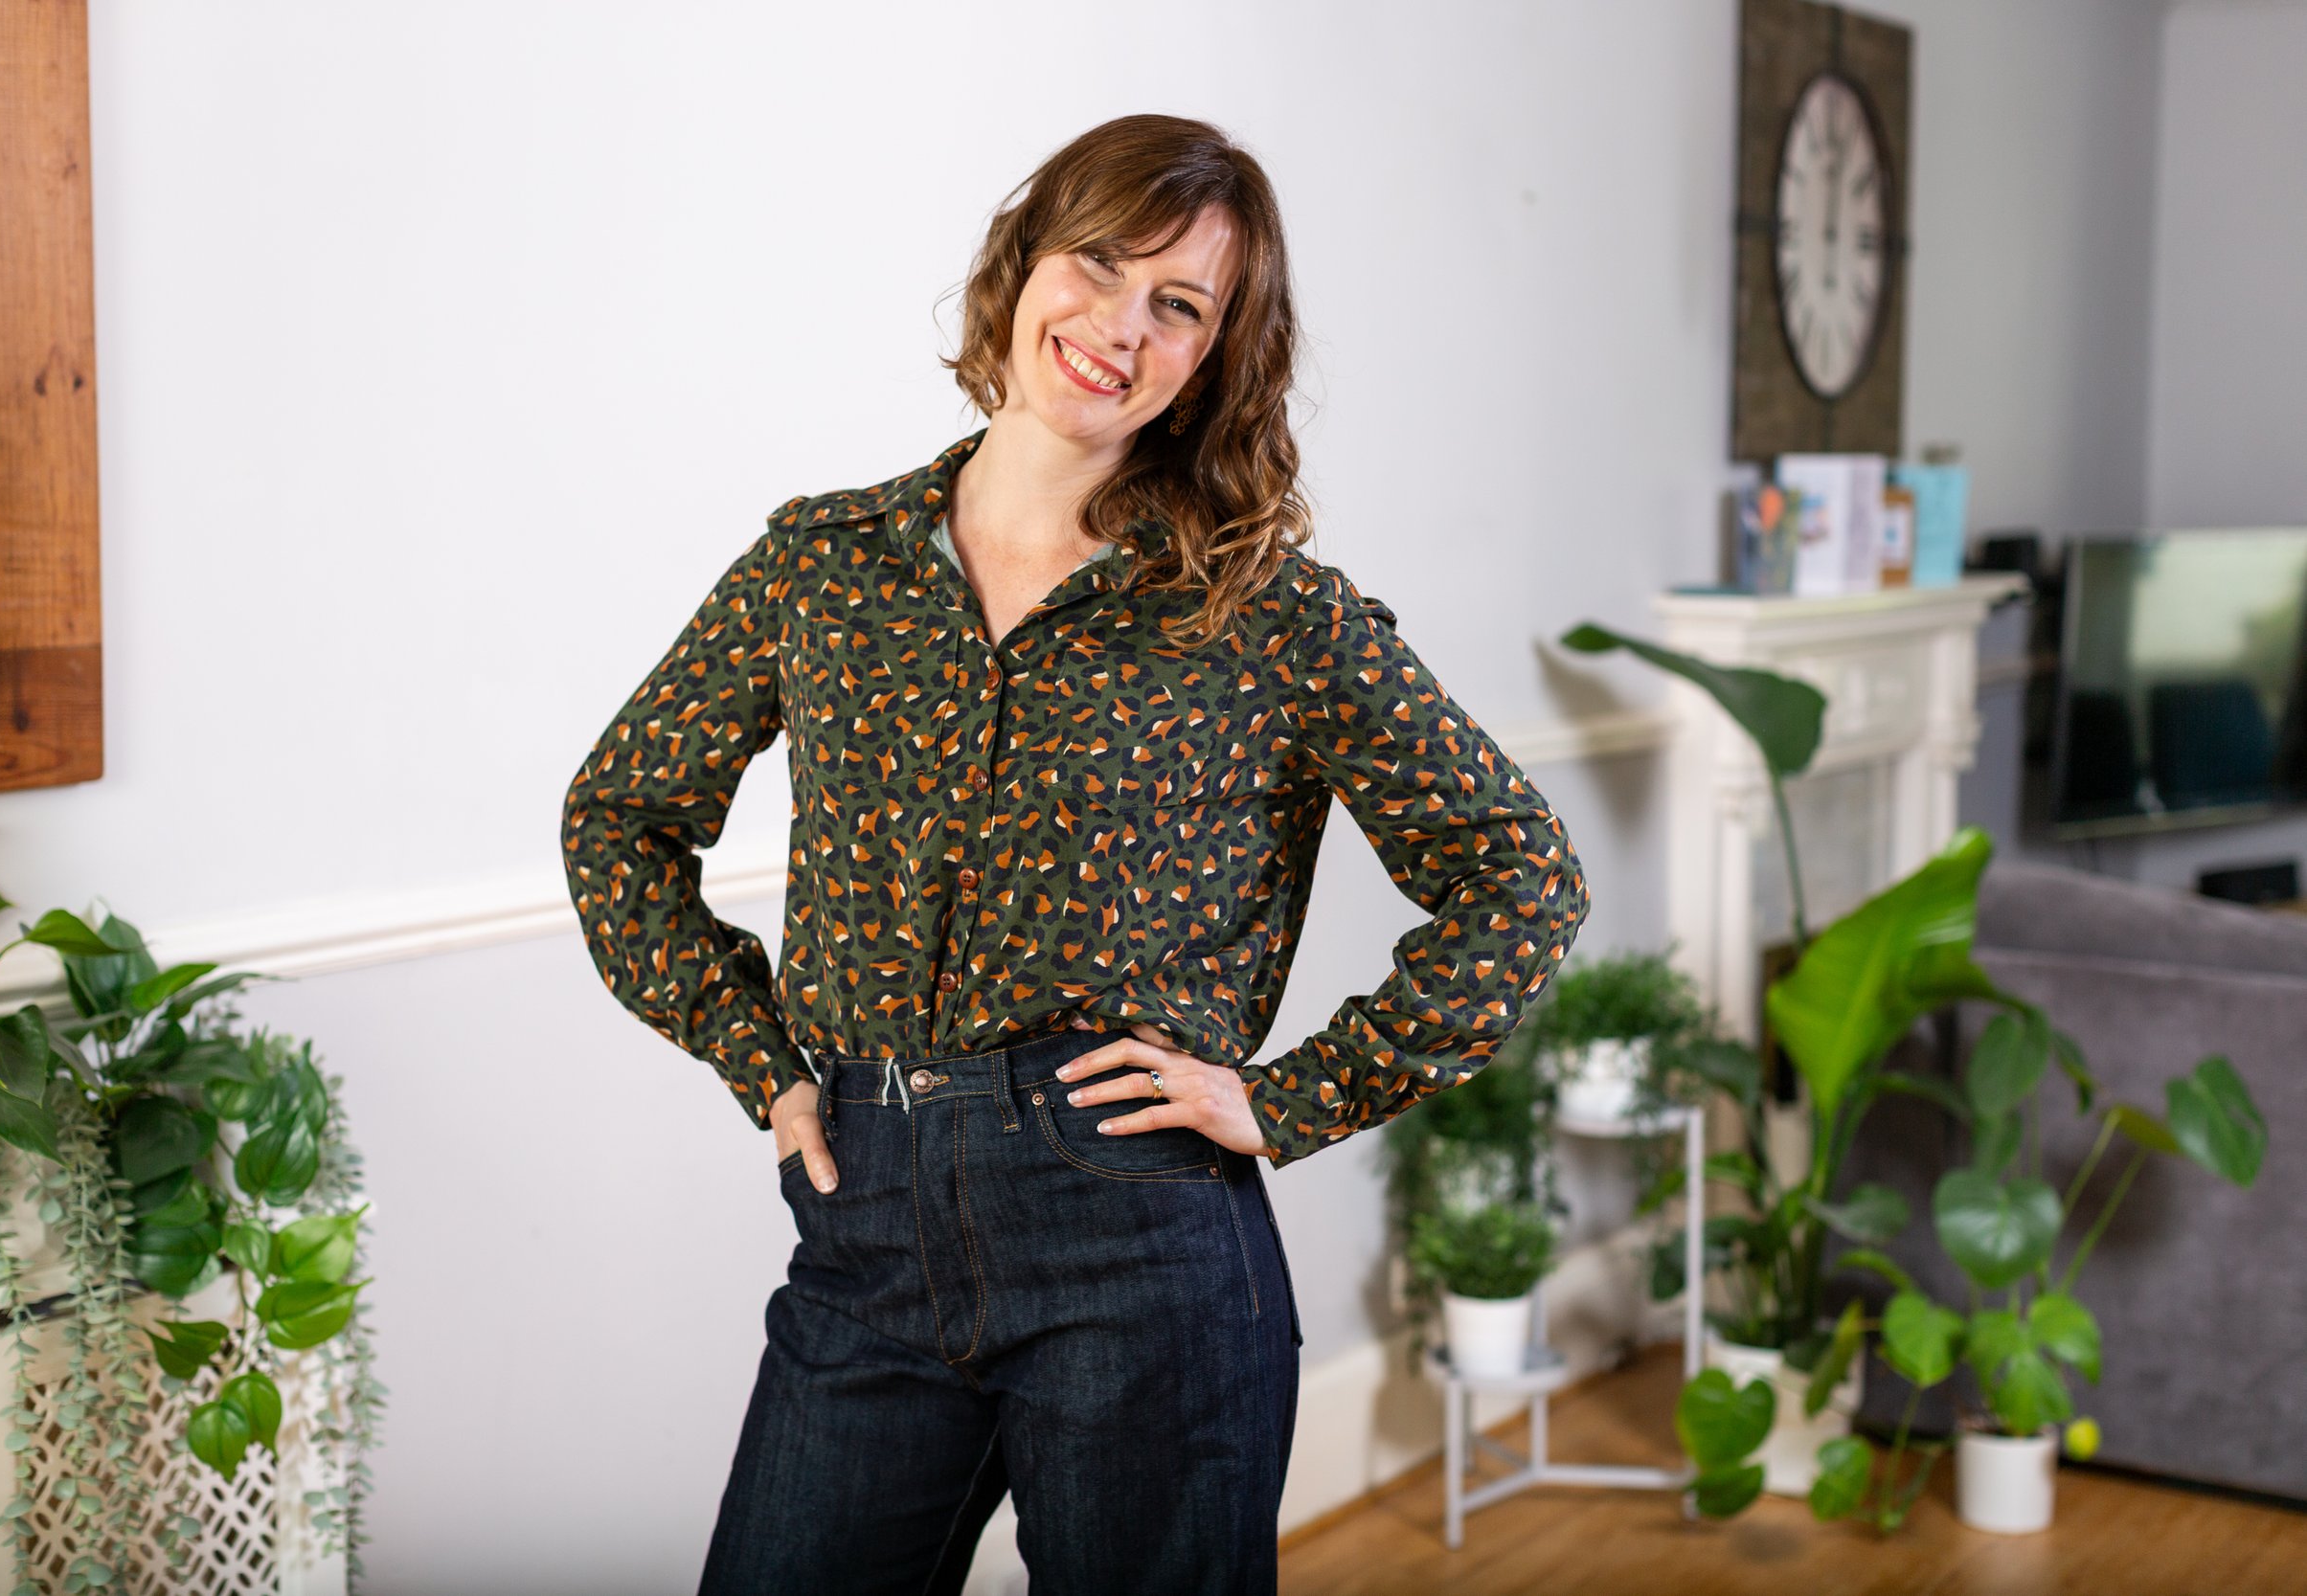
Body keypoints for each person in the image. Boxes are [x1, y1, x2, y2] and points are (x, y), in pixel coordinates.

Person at [560, 112, 1590, 1596]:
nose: (1120, 327)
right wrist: (760, 1059)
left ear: (1215, 358)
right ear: (1023, 262)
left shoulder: (1266, 612)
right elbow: (618, 817)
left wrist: (1291, 1098)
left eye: (1178, 304)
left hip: (1138, 1238)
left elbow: (1520, 871)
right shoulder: (822, 565)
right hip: (865, 1222)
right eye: (1098, 264)